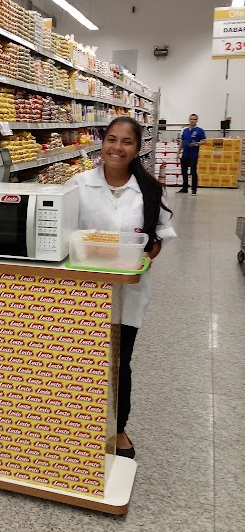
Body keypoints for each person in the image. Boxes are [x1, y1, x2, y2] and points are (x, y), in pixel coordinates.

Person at [69, 117, 176, 459]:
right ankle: (77, 424)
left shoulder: (150, 189)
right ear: (101, 143)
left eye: (126, 141)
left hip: (129, 291)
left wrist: (144, 258)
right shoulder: (78, 184)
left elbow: (157, 238)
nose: (117, 147)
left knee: (120, 361)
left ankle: (118, 430)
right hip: (84, 293)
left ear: (137, 147)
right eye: (111, 139)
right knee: (81, 359)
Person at [177, 114, 206, 194]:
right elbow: (182, 142)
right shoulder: (185, 130)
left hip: (193, 155)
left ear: (197, 120)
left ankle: (194, 189)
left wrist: (196, 143)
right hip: (185, 154)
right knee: (184, 171)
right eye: (191, 119)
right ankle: (184, 188)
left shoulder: (200, 130)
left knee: (193, 172)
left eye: (194, 119)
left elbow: (204, 141)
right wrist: (178, 152)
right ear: (189, 120)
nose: (192, 120)